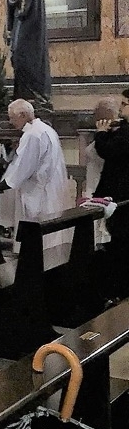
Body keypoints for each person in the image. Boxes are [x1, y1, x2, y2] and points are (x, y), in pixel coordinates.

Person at [0, 99, 70, 265]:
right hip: (47, 188)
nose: (11, 122)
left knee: (36, 237)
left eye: (12, 117)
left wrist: (2, 185)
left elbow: (24, 165)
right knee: (48, 238)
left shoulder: (33, 134)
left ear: (23, 115)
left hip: (37, 192)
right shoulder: (45, 129)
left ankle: (35, 268)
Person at [92, 91, 129, 300]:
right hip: (120, 196)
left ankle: (120, 292)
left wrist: (101, 133)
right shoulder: (124, 128)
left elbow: (109, 150)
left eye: (125, 104)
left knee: (121, 244)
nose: (122, 108)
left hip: (123, 196)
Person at [4, 0, 51, 102]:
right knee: (18, 57)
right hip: (22, 24)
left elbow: (25, 3)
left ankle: (31, 95)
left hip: (28, 27)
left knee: (23, 57)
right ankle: (23, 94)